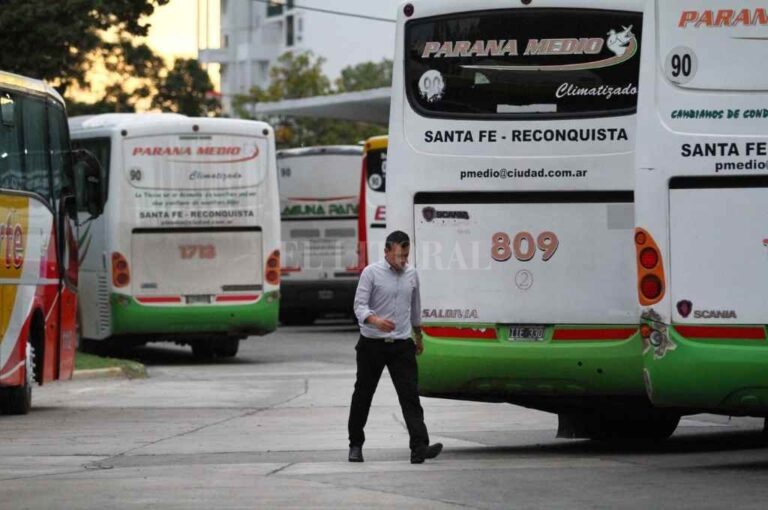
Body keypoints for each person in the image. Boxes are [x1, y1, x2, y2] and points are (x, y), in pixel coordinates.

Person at [348, 230, 443, 464]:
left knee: (410, 396)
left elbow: (415, 307)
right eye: (399, 255)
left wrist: (418, 335)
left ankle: (419, 447)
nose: (404, 260)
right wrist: (375, 320)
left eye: (406, 255)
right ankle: (355, 445)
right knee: (363, 394)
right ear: (387, 251)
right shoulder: (371, 273)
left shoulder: (412, 274)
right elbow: (359, 306)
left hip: (402, 344)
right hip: (372, 344)